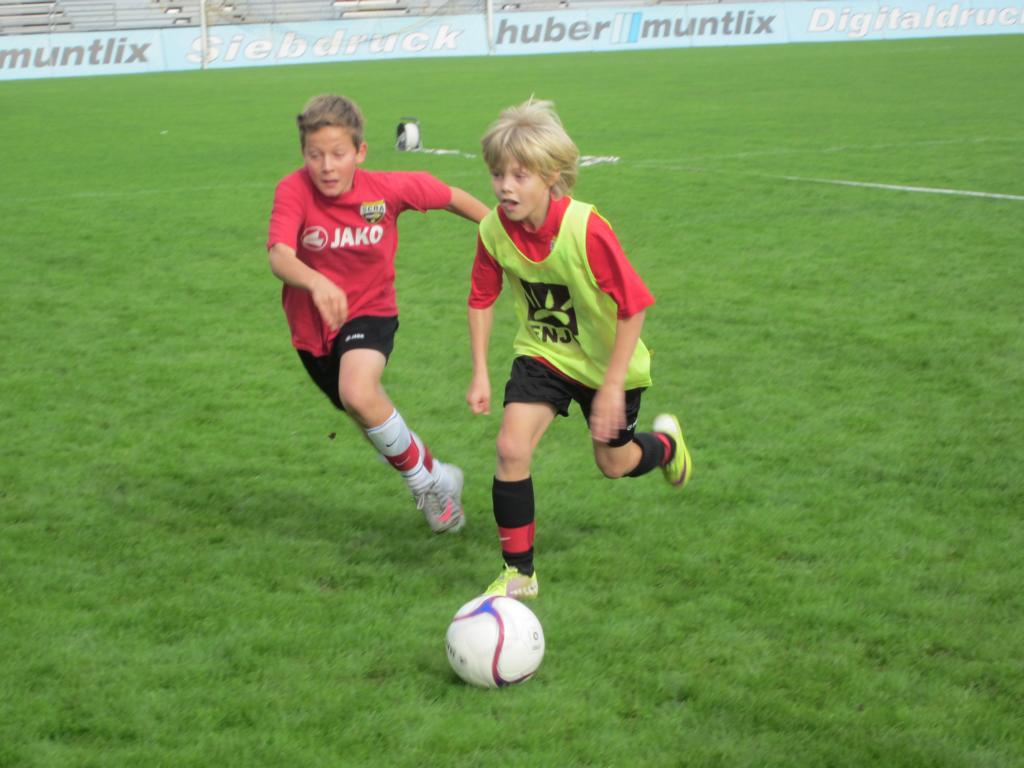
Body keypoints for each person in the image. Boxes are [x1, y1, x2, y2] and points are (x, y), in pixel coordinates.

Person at [465, 99, 693, 598]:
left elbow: (634, 306)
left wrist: (611, 387)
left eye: (520, 175)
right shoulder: (492, 230)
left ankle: (667, 447)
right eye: (498, 174)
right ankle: (519, 573)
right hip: (544, 355)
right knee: (510, 447)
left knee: (613, 464)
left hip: (609, 365)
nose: (505, 187)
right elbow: (481, 298)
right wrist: (480, 370)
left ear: (552, 176)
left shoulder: (586, 229)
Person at [267, 93, 490, 533]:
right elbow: (279, 255)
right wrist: (316, 281)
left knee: (357, 391)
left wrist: (504, 235)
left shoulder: (385, 189)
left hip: (371, 311)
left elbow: (451, 197)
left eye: (338, 154)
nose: (326, 166)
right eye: (315, 155)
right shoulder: (293, 190)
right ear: (303, 153)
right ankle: (441, 477)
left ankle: (425, 487)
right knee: (367, 415)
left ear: (360, 152)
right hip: (311, 330)